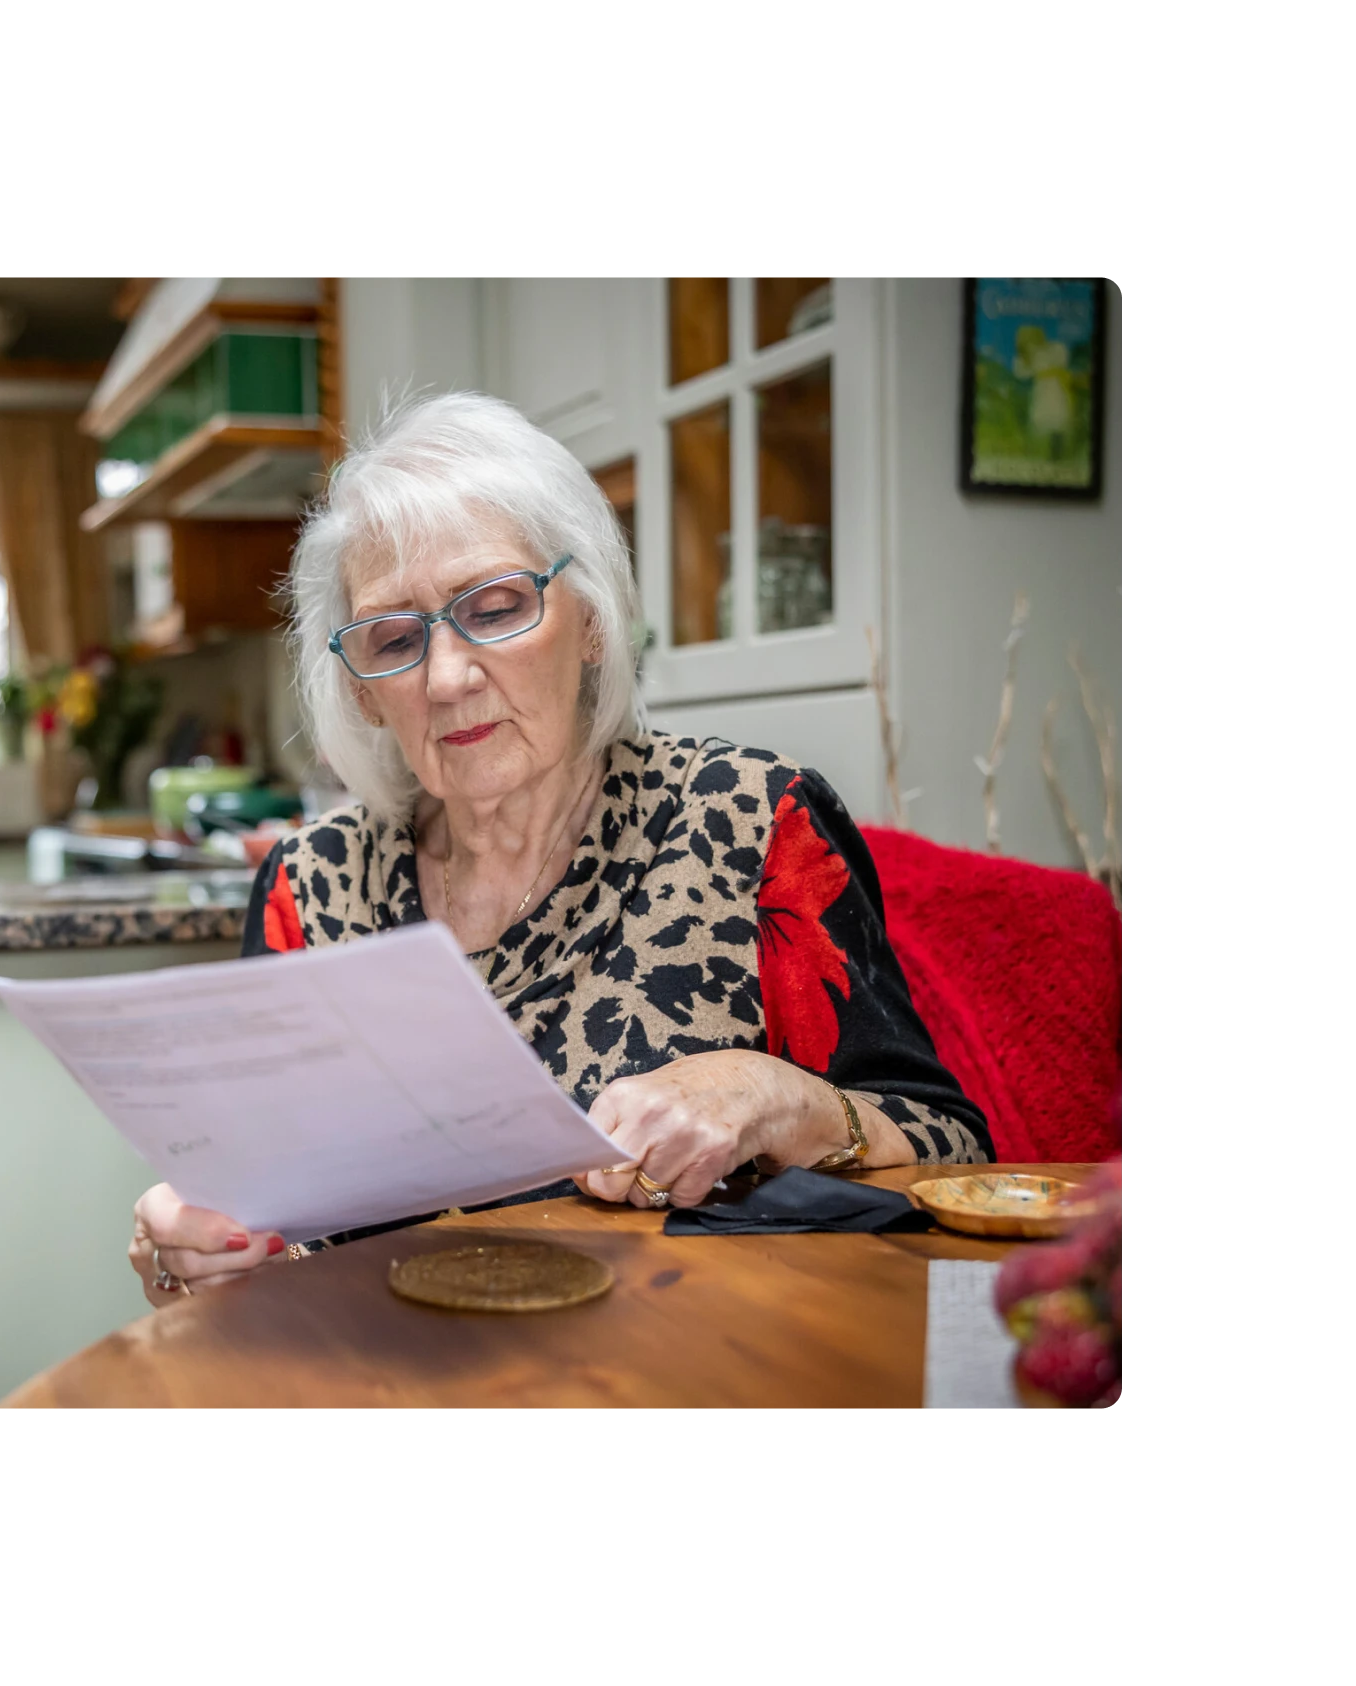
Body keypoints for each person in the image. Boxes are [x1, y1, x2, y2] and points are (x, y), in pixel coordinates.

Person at [131, 393, 990, 1305]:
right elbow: (263, 1220)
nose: (449, 676)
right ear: (363, 693)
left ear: (589, 620)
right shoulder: (310, 887)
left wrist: (778, 1093)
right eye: (394, 638)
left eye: (496, 608)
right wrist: (198, 1249)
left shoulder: (748, 820)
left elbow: (953, 1150)